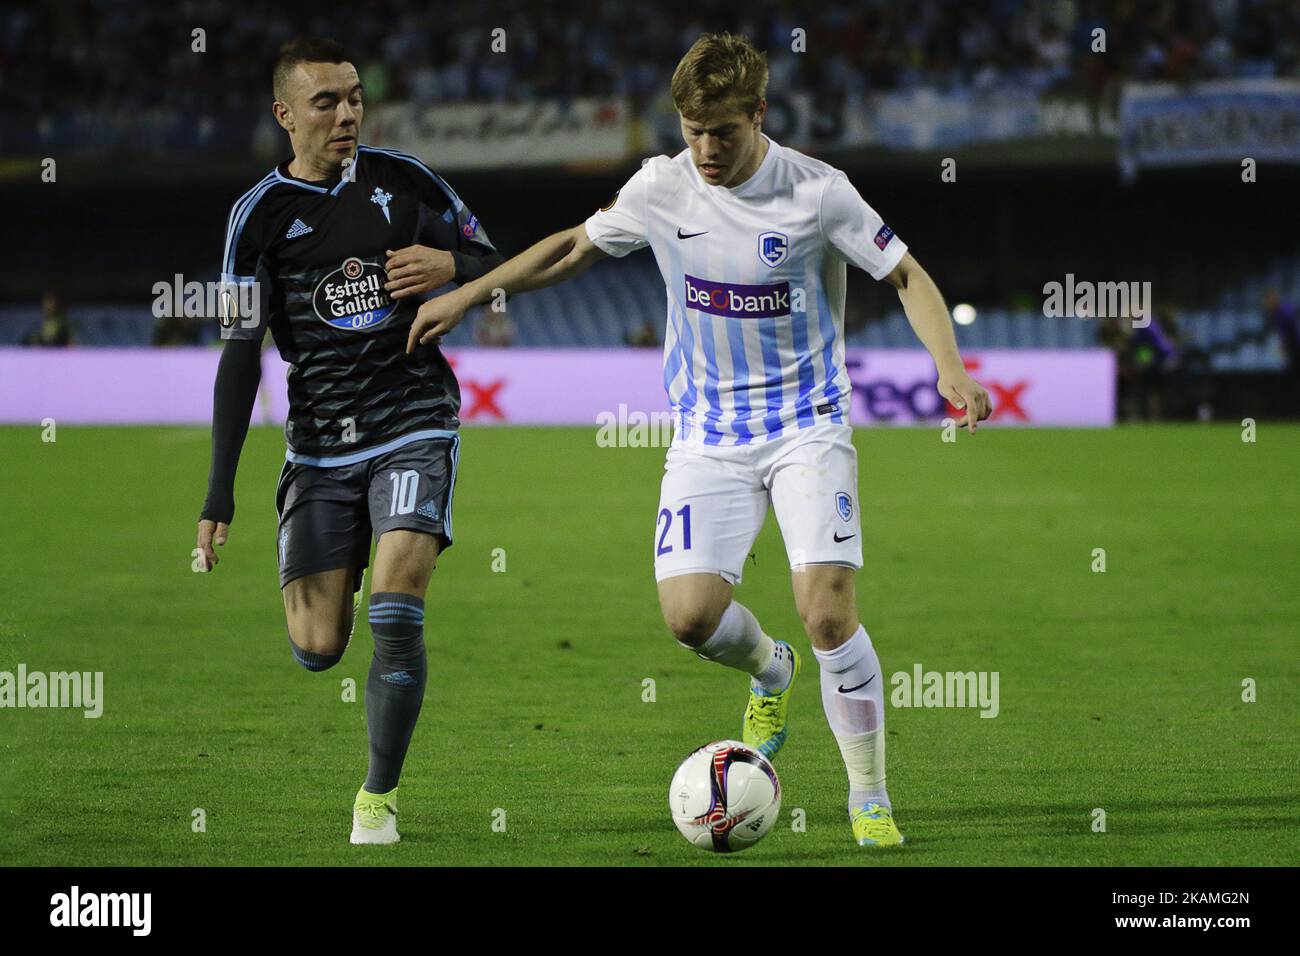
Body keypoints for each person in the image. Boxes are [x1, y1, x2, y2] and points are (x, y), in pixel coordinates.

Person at [408, 32, 991, 848]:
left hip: (806, 428)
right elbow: (575, 246)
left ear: (759, 113)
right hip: (706, 436)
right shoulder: (662, 188)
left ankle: (868, 795)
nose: (707, 149)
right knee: (688, 620)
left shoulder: (819, 193)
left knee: (827, 611)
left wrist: (950, 368)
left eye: (723, 130)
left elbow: (905, 274)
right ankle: (770, 669)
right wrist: (473, 290)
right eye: (692, 131)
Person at [193, 36, 503, 845]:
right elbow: (238, 353)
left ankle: (378, 798)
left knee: (396, 616)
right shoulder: (256, 217)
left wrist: (452, 269)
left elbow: (488, 258)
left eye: (355, 96)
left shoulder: (404, 179)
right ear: (284, 114)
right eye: (326, 101)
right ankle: (348, 550)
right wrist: (219, 492)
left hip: (414, 419)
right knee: (320, 645)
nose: (346, 114)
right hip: (320, 448)